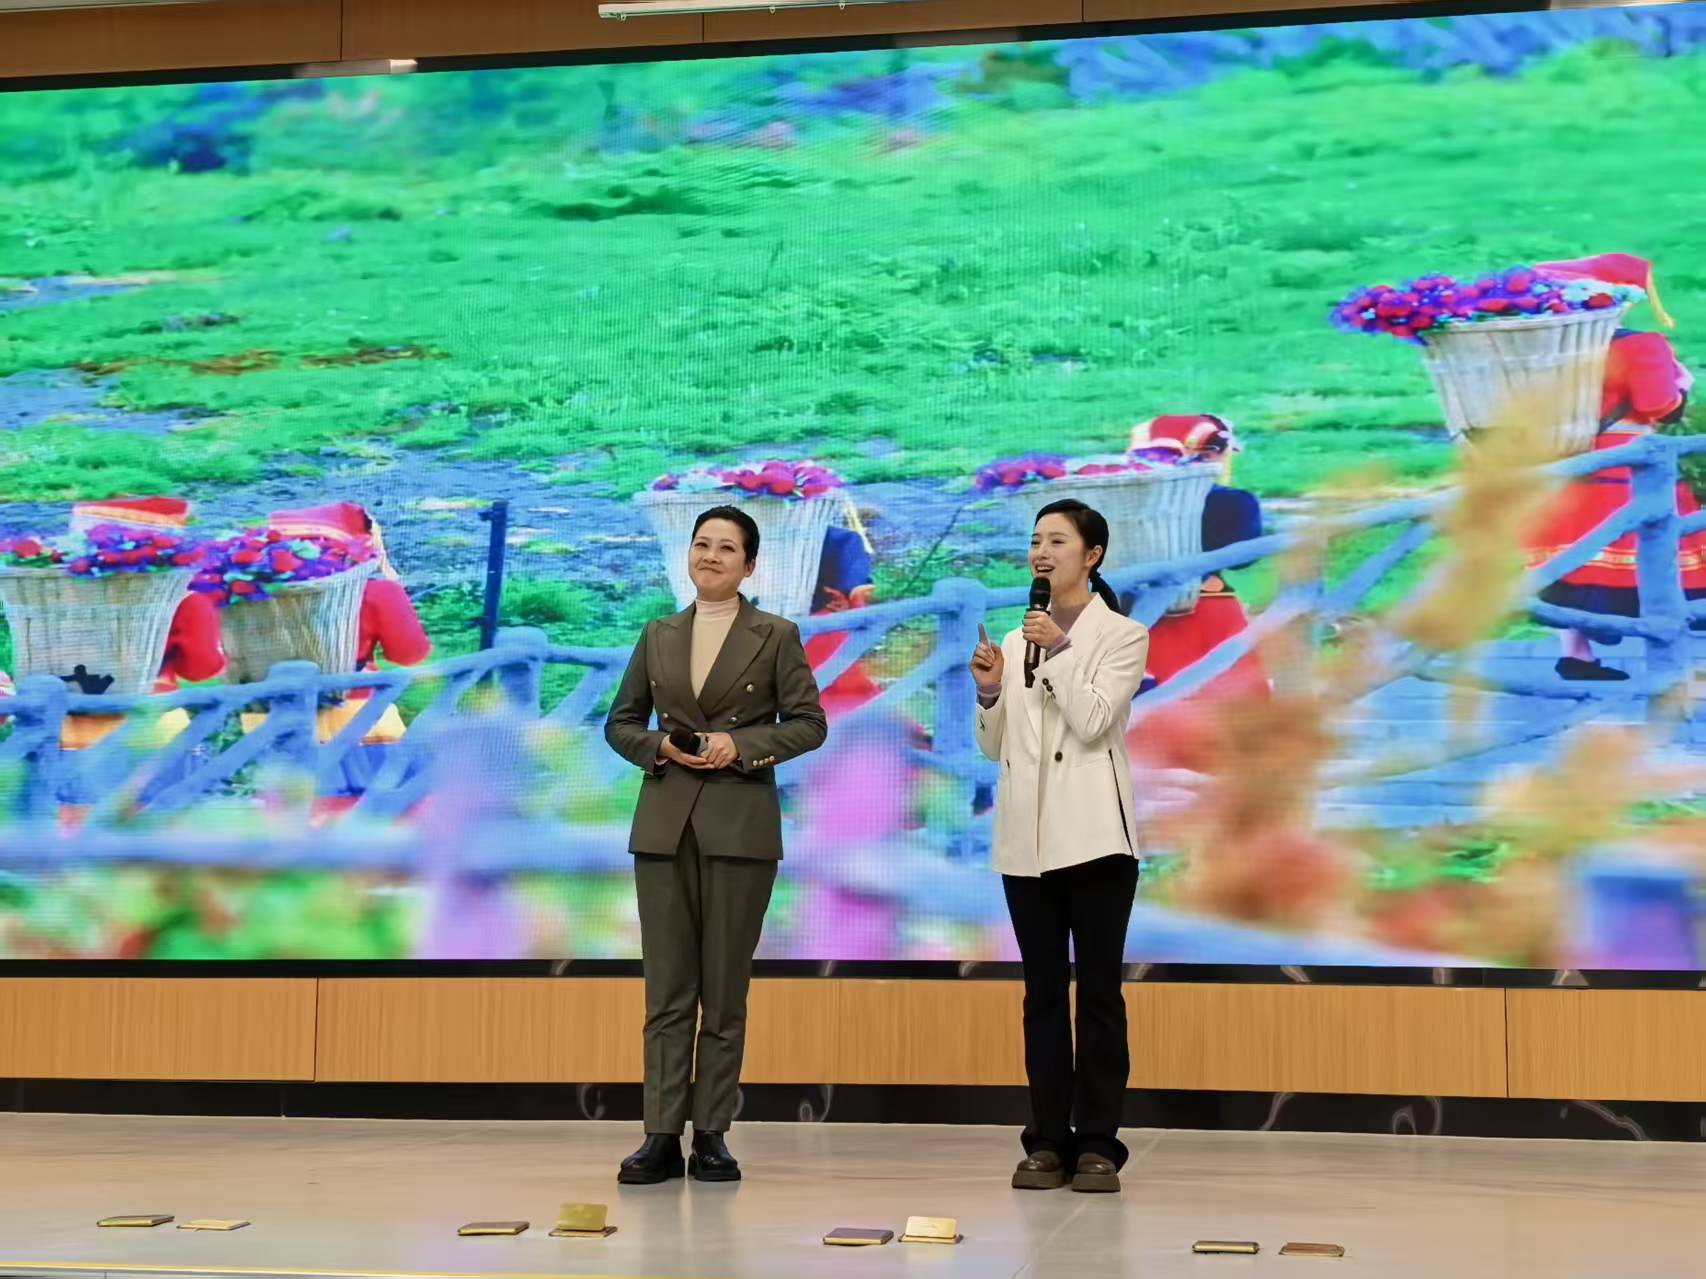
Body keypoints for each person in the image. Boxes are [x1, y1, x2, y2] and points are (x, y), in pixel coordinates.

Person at [604, 504, 827, 1185]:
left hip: (740, 829)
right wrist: (660, 746)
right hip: (664, 826)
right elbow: (620, 723)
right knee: (667, 991)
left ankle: (712, 1135)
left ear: (749, 565)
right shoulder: (658, 633)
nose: (710, 556)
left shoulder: (776, 634)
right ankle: (659, 1134)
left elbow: (809, 723)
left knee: (724, 993)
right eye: (702, 544)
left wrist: (741, 745)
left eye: (726, 548)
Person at [969, 499, 1149, 1194]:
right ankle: (1046, 1140)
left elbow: (1095, 720)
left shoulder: (1122, 634)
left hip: (1096, 839)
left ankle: (1098, 1142)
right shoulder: (1016, 638)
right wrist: (990, 693)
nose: (1041, 552)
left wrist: (1061, 652)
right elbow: (997, 748)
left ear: (1092, 555)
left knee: (1098, 994)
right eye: (1035, 540)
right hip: (1026, 842)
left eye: (1058, 541)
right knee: (1041, 995)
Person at [1520, 256, 1703, 679]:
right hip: (1624, 464)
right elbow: (1658, 404)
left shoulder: (1536, 342)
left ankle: (1577, 656)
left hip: (1556, 459)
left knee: (1568, 559)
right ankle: (1672, 665)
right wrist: (1681, 389)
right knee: (1654, 556)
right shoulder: (1639, 345)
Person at [60, 497, 226, 751]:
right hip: (153, 722)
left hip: (70, 725)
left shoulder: (54, 594)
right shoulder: (185, 599)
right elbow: (199, 669)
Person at [1128, 415, 1268, 697]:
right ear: (1210, 453)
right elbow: (1244, 559)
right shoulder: (1234, 503)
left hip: (1129, 609)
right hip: (1207, 610)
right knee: (1231, 698)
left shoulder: (1119, 502)